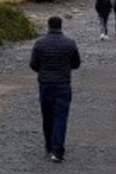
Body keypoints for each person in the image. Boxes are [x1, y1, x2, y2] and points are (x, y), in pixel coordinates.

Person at [29, 16, 81, 162]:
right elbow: (76, 64)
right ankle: (57, 151)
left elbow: (33, 64)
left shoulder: (40, 44)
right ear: (61, 26)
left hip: (45, 84)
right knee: (61, 117)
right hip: (63, 84)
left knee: (47, 116)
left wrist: (43, 70)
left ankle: (49, 146)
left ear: (48, 26)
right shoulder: (70, 43)